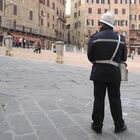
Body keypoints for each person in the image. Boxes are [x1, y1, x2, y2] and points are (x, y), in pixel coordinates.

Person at [87, 11, 127, 134]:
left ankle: (97, 125)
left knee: (99, 99)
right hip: (114, 73)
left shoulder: (95, 37)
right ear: (112, 24)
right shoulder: (121, 39)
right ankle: (119, 125)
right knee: (115, 98)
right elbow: (124, 58)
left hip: (98, 72)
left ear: (102, 23)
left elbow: (90, 56)